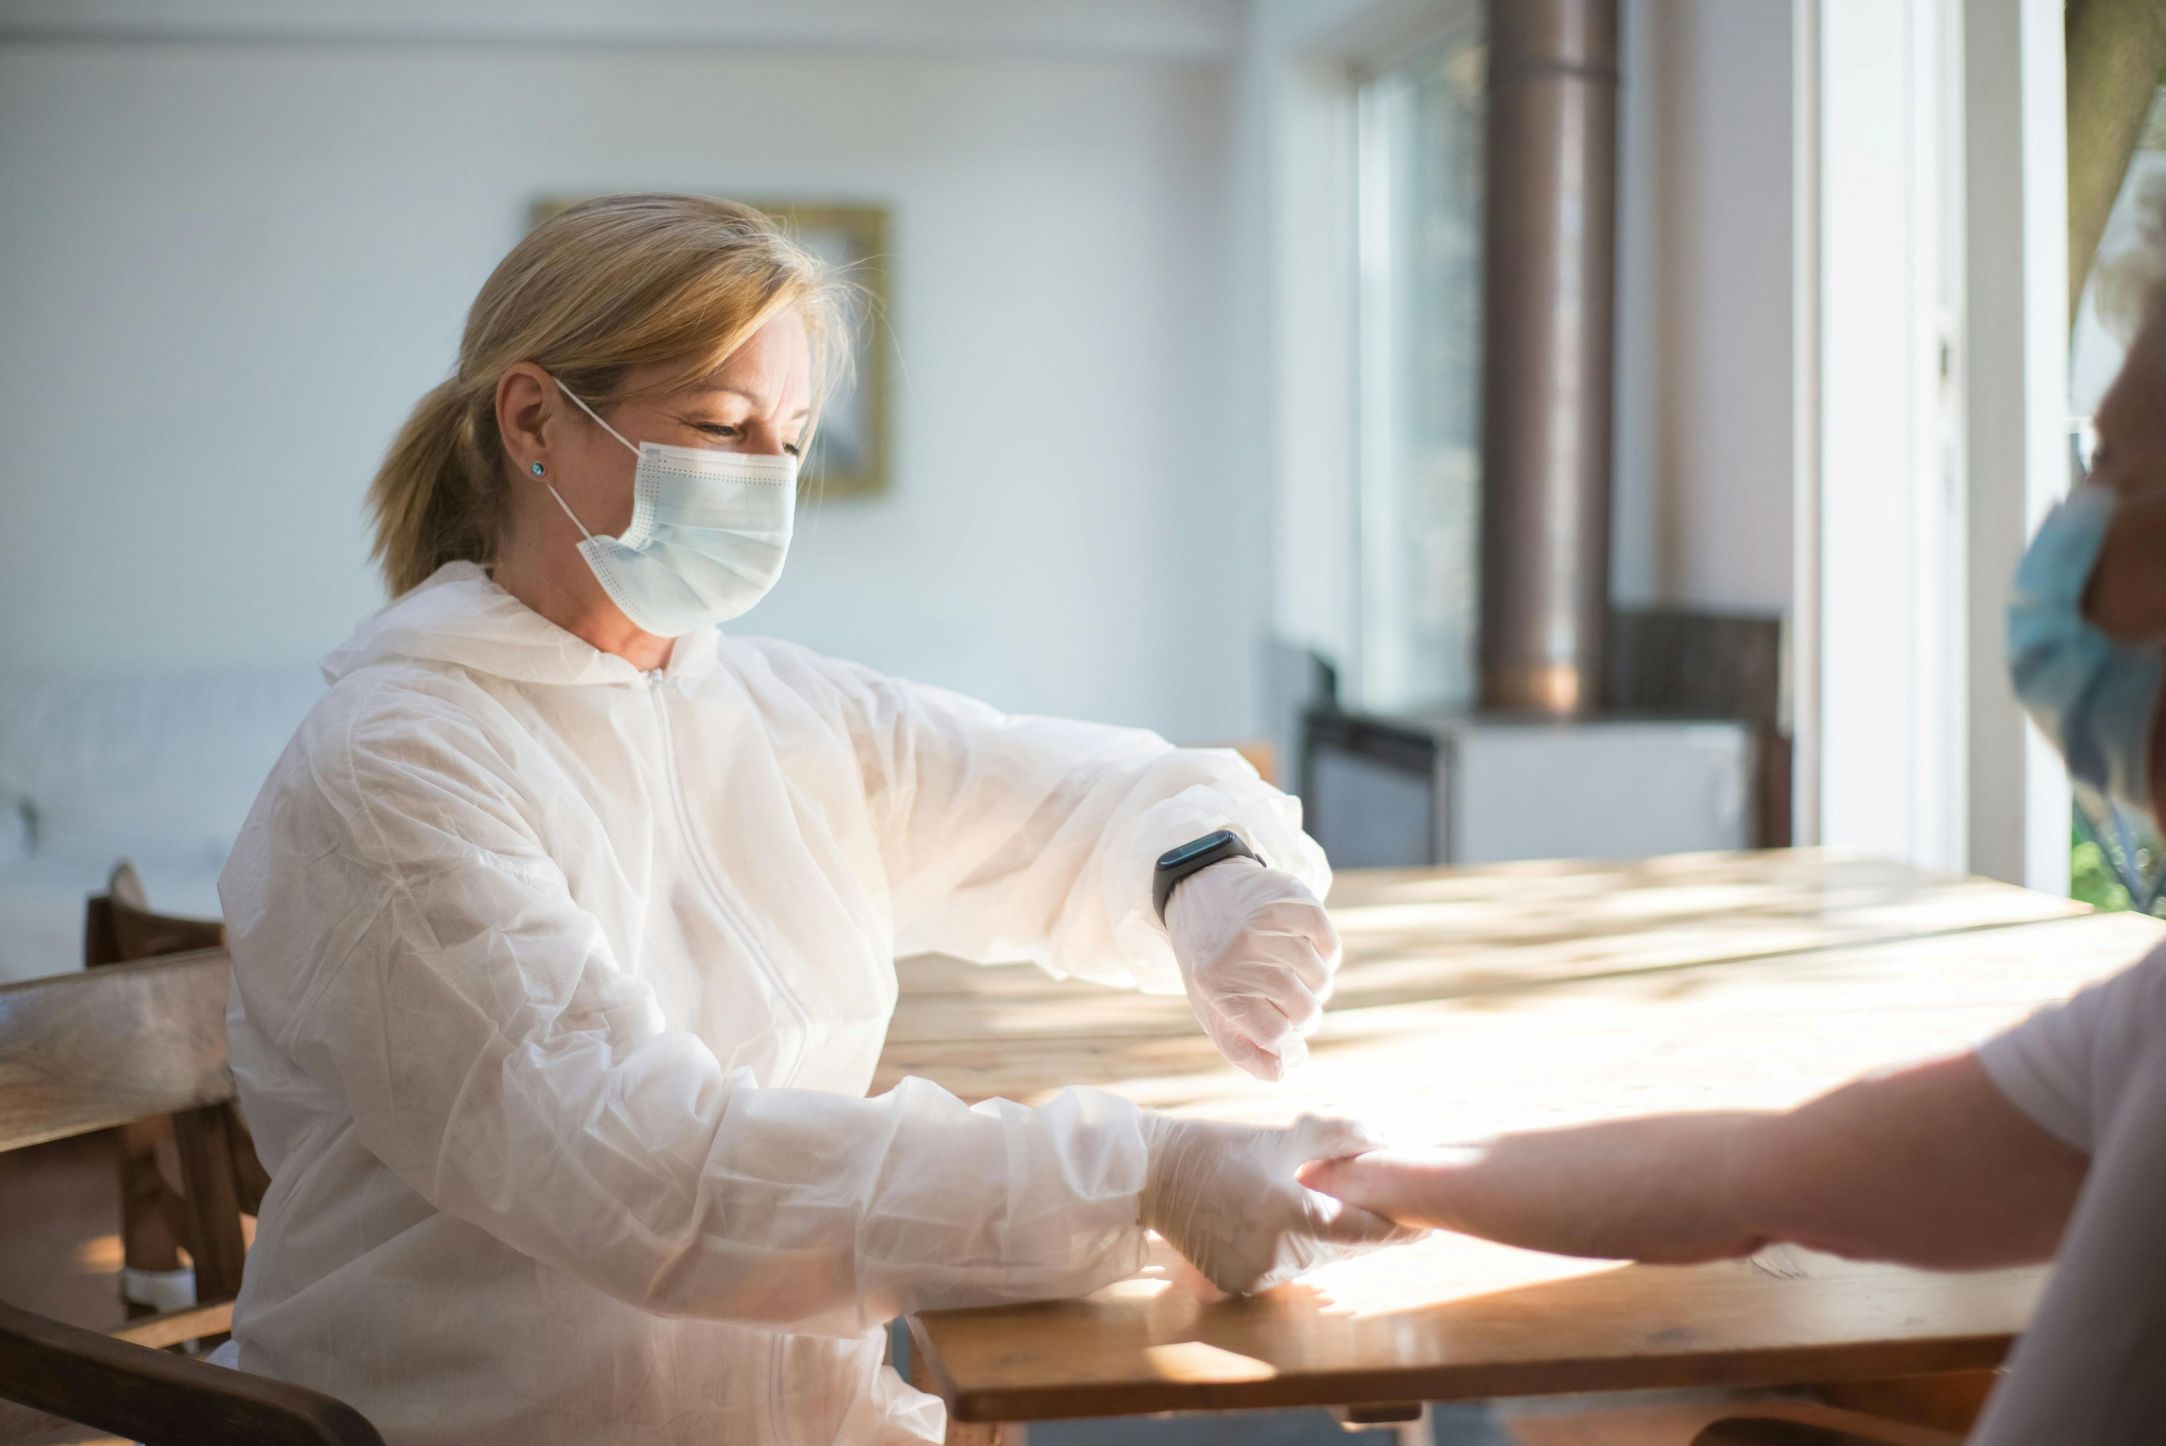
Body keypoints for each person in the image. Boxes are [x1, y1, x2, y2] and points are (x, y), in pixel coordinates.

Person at [215, 193, 1407, 1446]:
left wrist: (1207, 872)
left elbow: (1056, 794)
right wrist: (1141, 1178)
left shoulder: (772, 711)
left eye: (785, 444)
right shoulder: (399, 766)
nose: (762, 485)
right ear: (534, 423)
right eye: (717, 427)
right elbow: (647, 1171)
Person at [1304, 242, 2166, 1445]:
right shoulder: (2143, 1021)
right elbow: (1742, 1178)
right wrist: (1380, 1172)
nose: (2064, 523)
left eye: (2108, 471)